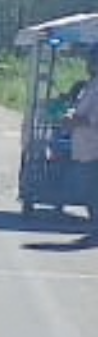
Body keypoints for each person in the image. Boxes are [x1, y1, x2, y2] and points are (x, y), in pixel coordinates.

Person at [63, 45, 98, 239]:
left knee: (92, 192)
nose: (88, 64)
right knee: (88, 193)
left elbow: (93, 120)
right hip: (86, 150)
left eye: (92, 60)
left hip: (94, 151)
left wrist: (74, 120)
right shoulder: (91, 85)